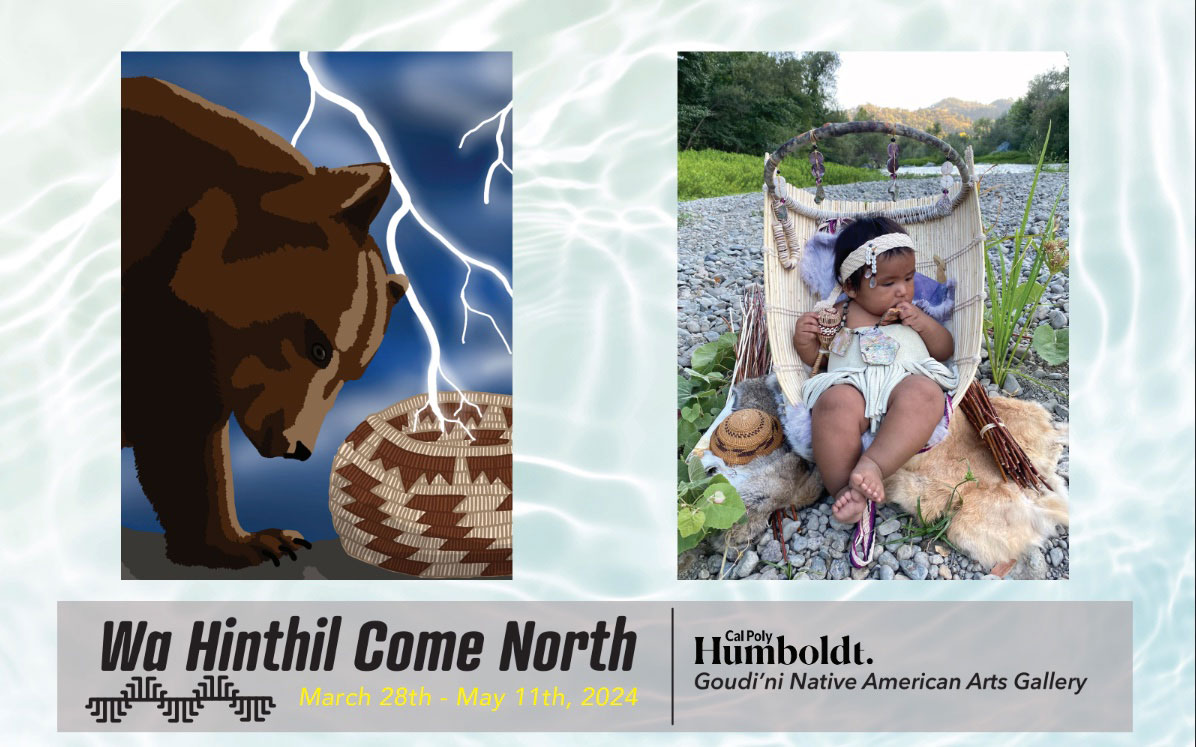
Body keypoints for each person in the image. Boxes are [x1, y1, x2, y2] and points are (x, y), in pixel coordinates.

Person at [792, 217, 956, 524]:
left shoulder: (914, 310)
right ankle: (845, 490)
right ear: (850, 287)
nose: (903, 291)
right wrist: (804, 343)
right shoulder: (838, 314)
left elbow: (945, 349)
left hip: (904, 378)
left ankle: (873, 465)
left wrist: (921, 323)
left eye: (908, 278)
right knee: (831, 404)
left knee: (925, 393)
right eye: (888, 283)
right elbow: (822, 361)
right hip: (852, 382)